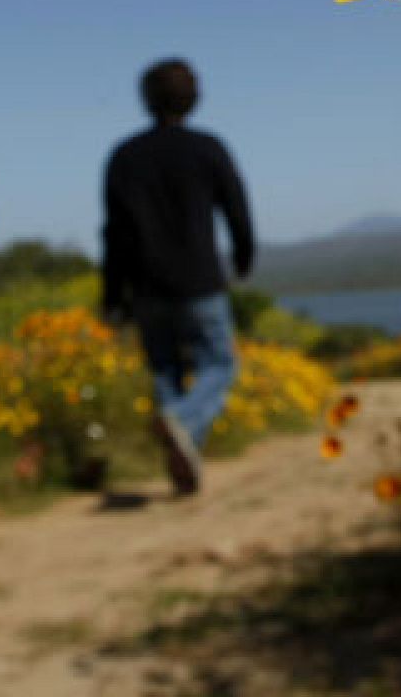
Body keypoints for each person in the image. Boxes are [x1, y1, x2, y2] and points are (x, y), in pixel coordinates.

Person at [101, 59, 254, 495]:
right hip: (200, 281)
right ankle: (182, 423)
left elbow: (113, 232)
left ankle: (182, 462)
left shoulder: (124, 156)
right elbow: (236, 209)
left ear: (145, 100)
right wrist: (244, 255)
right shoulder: (208, 148)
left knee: (166, 371)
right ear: (195, 97)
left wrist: (112, 294)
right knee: (220, 364)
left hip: (146, 287)